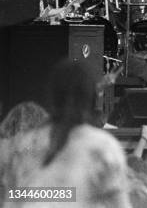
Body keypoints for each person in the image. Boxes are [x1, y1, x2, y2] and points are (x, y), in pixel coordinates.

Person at [0, 61, 130, 206]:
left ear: (52, 95)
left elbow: (12, 201)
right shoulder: (104, 147)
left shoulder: (22, 145)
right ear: (91, 97)